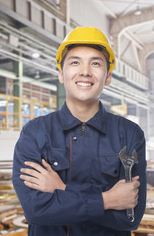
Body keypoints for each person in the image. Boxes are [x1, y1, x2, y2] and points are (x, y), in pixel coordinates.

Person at [12, 26, 146, 236]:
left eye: (95, 63)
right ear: (61, 74)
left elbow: (129, 218)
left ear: (108, 77)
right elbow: (35, 210)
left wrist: (62, 190)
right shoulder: (35, 133)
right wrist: (108, 200)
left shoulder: (130, 134)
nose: (85, 71)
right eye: (75, 62)